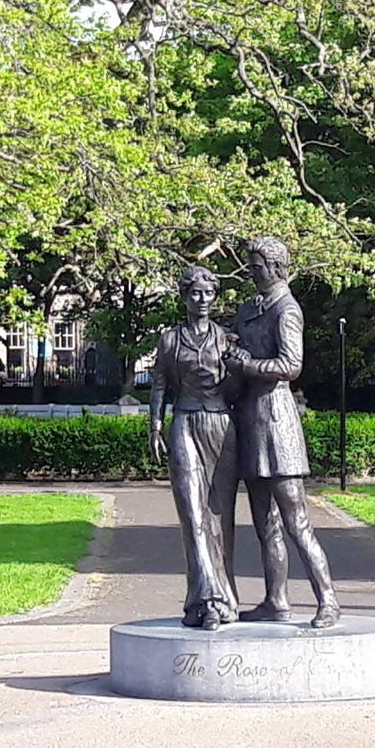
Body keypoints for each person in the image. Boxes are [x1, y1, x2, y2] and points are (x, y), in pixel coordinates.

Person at [224, 238, 341, 629]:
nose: (251, 272)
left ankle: (328, 600)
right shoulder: (248, 310)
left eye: (257, 266)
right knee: (265, 523)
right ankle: (276, 600)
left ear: (277, 268)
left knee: (297, 522)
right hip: (250, 420)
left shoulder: (286, 309)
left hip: (277, 422)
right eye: (250, 266)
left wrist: (247, 364)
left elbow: (291, 365)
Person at [148, 266, 241, 630]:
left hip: (220, 427)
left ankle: (219, 599)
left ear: (215, 298)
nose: (202, 300)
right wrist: (155, 425)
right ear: (185, 297)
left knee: (220, 518)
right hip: (184, 423)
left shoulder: (226, 340)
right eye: (195, 293)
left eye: (208, 294)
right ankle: (208, 600)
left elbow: (238, 390)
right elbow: (159, 384)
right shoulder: (171, 340)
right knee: (192, 515)